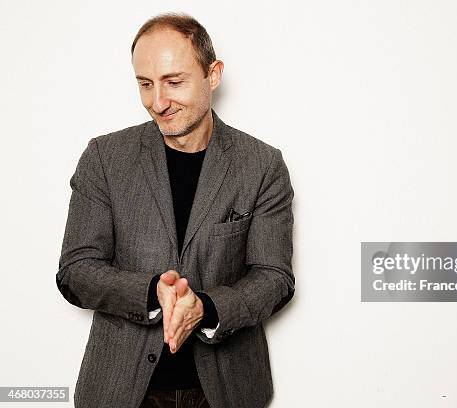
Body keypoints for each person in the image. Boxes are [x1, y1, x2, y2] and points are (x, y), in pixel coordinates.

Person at [56, 12, 295, 408]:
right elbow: (75, 271)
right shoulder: (104, 158)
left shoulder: (262, 165)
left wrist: (207, 307)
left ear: (213, 75)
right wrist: (151, 293)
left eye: (174, 82)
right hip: (120, 391)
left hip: (227, 390)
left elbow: (274, 277)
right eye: (145, 84)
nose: (158, 102)